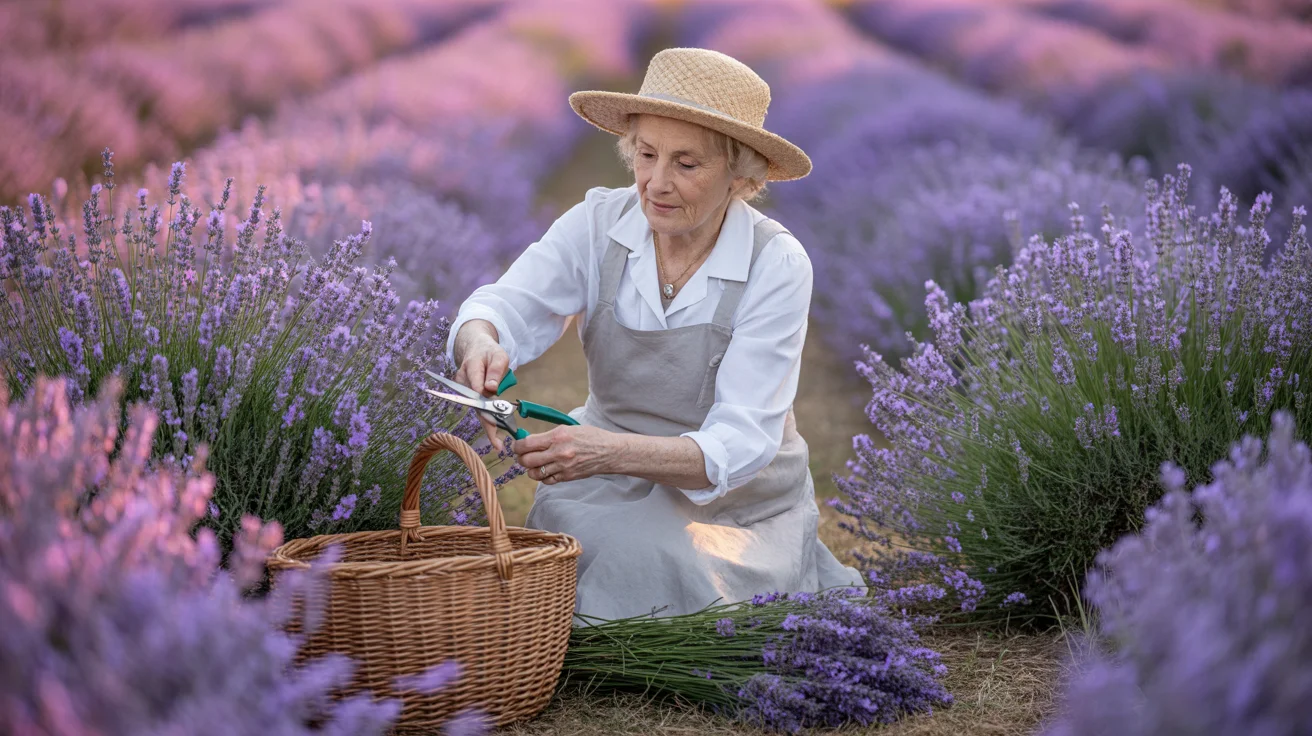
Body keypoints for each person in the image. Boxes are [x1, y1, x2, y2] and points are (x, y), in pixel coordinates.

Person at [446, 47, 862, 619]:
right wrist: (481, 343)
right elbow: (504, 304)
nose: (656, 183)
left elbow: (741, 442)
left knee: (660, 561)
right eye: (646, 155)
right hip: (603, 478)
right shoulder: (598, 223)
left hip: (731, 496)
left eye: (687, 164)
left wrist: (606, 451)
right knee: (596, 551)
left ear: (742, 176)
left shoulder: (775, 263)